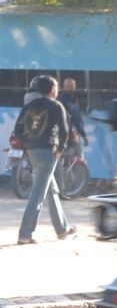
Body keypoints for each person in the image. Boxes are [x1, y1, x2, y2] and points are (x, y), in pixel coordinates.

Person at [13, 75, 75, 245]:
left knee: (51, 190)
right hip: (49, 153)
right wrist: (61, 149)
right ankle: (25, 234)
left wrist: (28, 145)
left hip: (32, 152)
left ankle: (62, 229)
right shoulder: (55, 105)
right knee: (37, 194)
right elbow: (64, 130)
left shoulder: (29, 106)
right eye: (56, 87)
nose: (57, 90)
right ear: (51, 89)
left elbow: (17, 130)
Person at [56, 78, 89, 197]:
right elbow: (72, 118)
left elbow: (77, 118)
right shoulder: (61, 99)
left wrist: (83, 134)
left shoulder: (74, 99)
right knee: (74, 159)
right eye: (67, 86)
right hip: (66, 135)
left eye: (72, 86)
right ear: (63, 87)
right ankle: (65, 188)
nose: (70, 88)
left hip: (74, 134)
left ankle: (79, 188)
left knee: (77, 160)